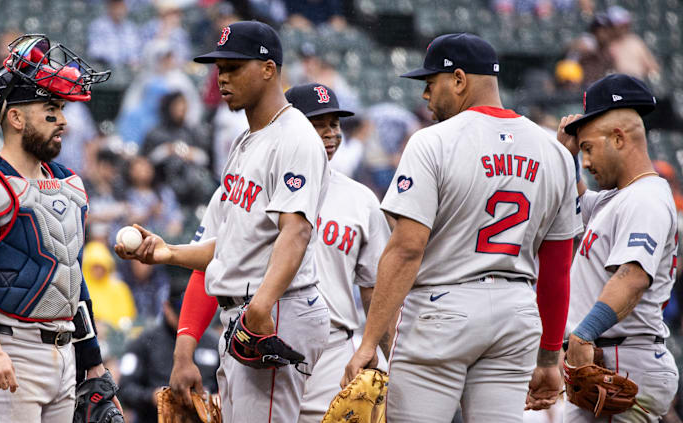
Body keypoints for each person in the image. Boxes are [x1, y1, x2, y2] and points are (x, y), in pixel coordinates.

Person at [342, 33, 583, 422]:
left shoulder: (432, 142)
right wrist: (550, 356)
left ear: (458, 80)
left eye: (429, 83)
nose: (425, 96)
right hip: (515, 313)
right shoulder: (554, 151)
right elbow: (557, 267)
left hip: (443, 309)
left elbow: (406, 249)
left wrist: (369, 341)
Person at [116, 20, 330, 423]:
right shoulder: (245, 142)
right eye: (220, 68)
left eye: (234, 67)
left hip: (274, 310)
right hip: (245, 311)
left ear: (268, 69)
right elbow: (231, 245)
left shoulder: (294, 138)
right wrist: (167, 252)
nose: (223, 77)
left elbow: (297, 231)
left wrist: (261, 307)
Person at [0, 34, 119, 422]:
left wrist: (93, 364)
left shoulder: (69, 183)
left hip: (63, 354)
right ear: (17, 117)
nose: (63, 120)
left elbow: (70, 279)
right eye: (51, 109)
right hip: (9, 351)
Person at [559, 74, 679, 422]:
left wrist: (583, 335)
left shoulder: (645, 199)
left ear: (618, 138)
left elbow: (632, 278)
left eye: (588, 148)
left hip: (622, 359)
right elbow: (575, 202)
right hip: (615, 355)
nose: (584, 161)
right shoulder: (616, 199)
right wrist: (565, 154)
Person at [282, 84, 392, 422]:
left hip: (333, 350)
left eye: (335, 124)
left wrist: (388, 355)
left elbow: (376, 291)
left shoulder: (361, 200)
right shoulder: (262, 188)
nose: (330, 134)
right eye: (319, 125)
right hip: (269, 346)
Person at [118, 278, 219, 423]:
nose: (184, 320)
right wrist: (152, 397)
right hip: (154, 417)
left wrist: (216, 397)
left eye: (190, 313)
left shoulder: (213, 342)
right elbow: (125, 389)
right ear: (166, 307)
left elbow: (227, 386)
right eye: (180, 314)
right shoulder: (144, 341)